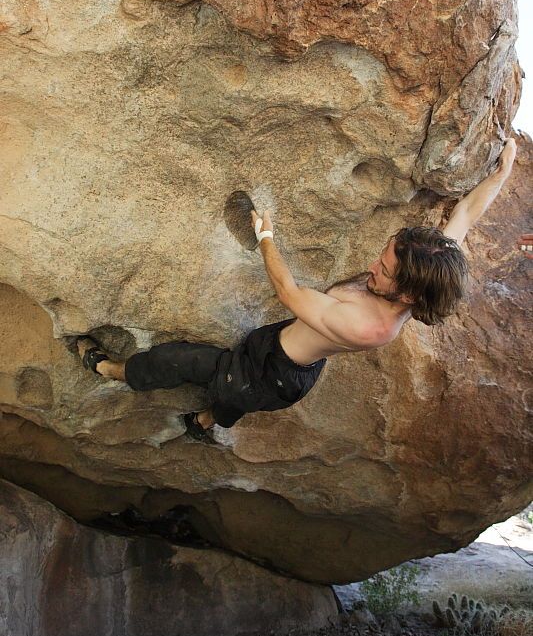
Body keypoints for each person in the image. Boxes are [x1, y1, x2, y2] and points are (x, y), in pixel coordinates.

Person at [77, 139, 517, 442]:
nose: (370, 267)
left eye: (382, 270)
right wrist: (504, 168)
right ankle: (207, 422)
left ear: (407, 296)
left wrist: (266, 238)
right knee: (233, 400)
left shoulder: (368, 326)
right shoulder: (428, 271)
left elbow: (288, 291)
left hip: (268, 373)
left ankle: (114, 372)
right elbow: (465, 215)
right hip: (287, 354)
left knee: (185, 364)